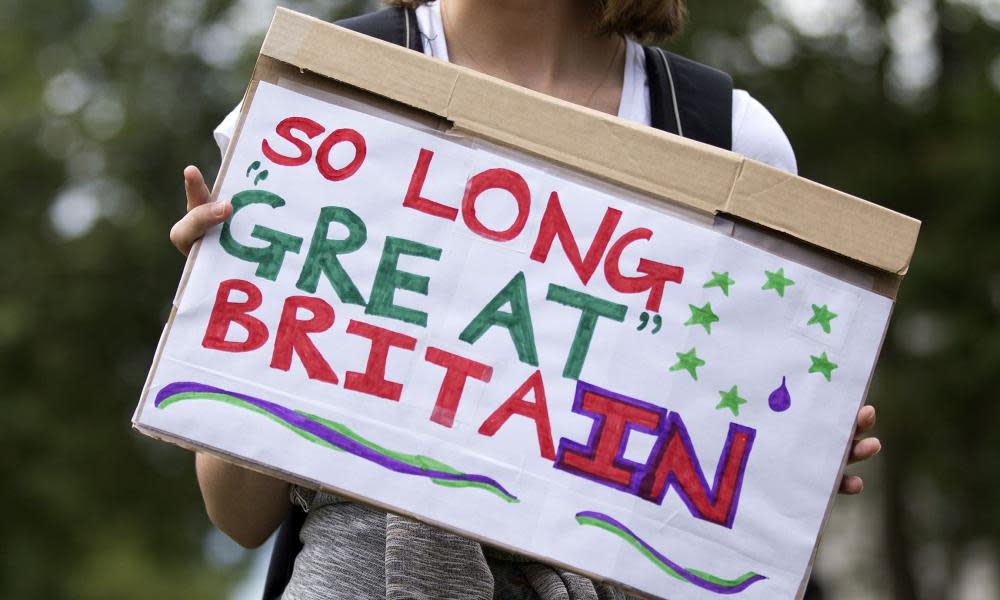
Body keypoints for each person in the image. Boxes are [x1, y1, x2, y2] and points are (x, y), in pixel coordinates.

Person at [170, 1, 883, 598]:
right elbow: (238, 514)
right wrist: (238, 314)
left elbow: (725, 538)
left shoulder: (728, 141)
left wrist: (784, 462)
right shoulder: (325, 87)